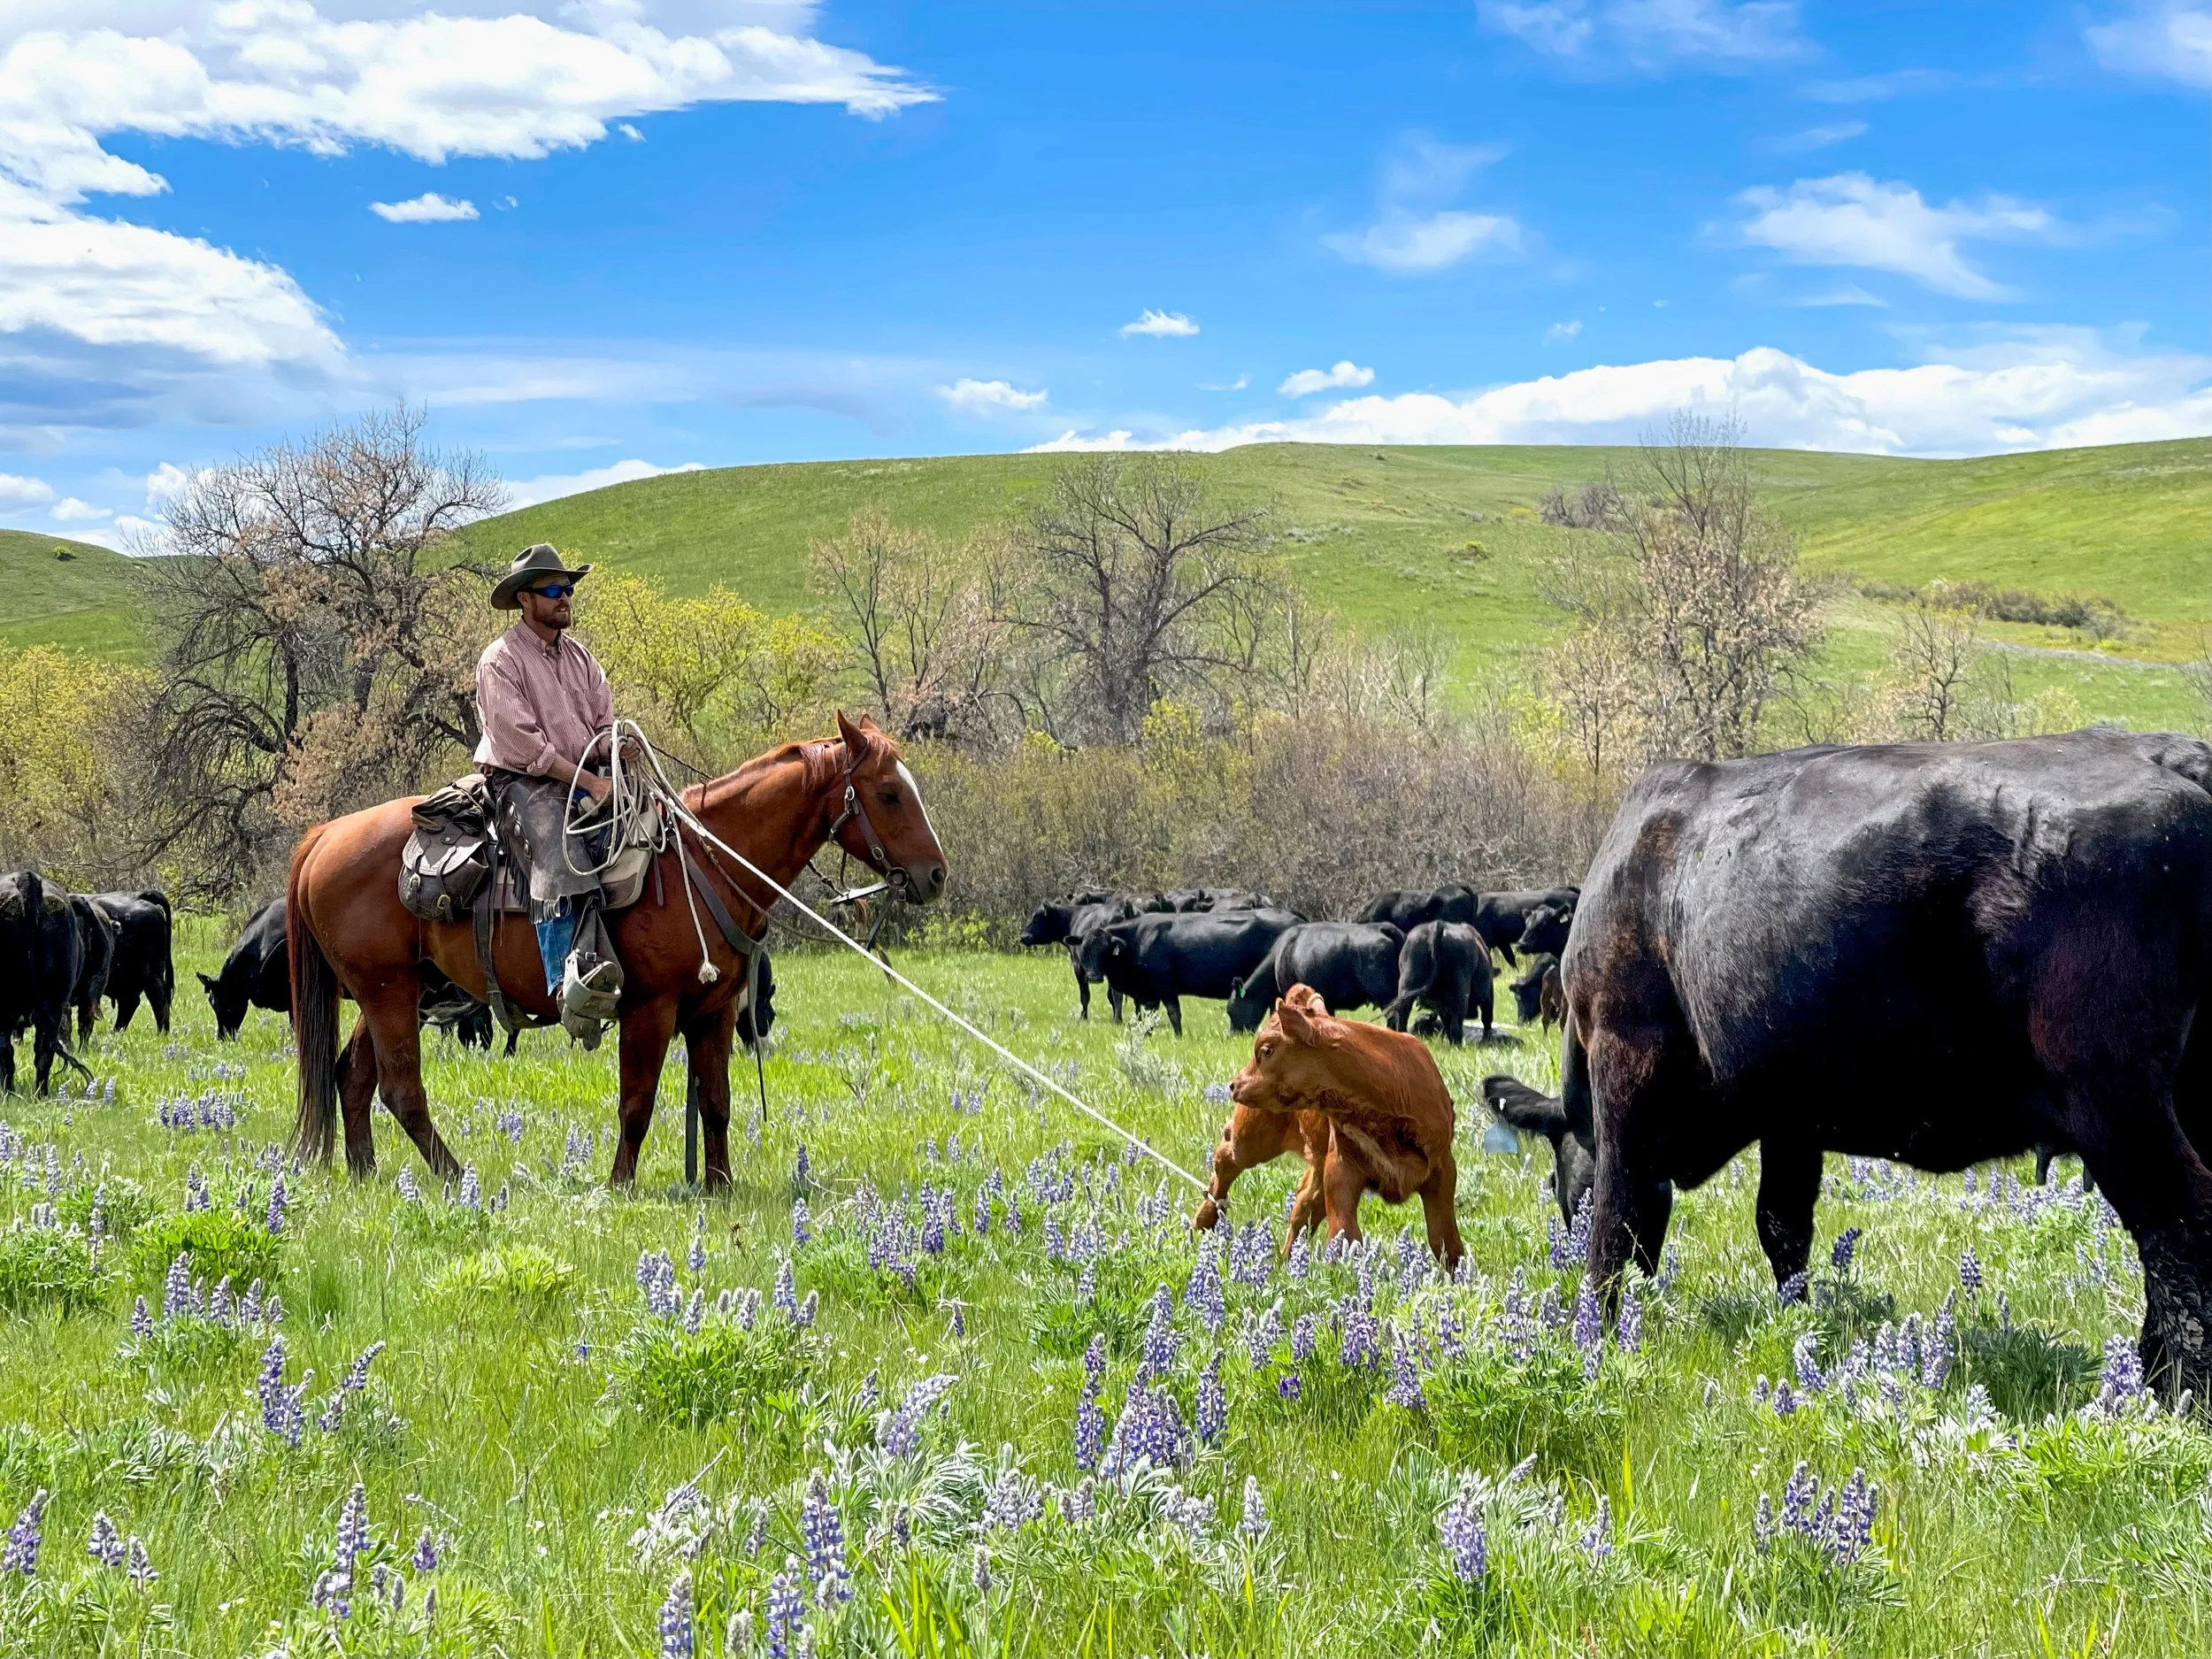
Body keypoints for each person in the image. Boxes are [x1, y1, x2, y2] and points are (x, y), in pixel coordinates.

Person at [472, 543, 621, 1026]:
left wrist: (614, 748)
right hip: (522, 781)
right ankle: (566, 981)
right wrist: (589, 783)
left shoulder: (581, 658)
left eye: (568, 588)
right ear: (525, 599)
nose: (566, 598)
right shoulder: (500, 661)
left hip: (582, 774)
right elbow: (526, 748)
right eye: (554, 590)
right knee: (558, 847)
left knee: (653, 826)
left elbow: (602, 722)